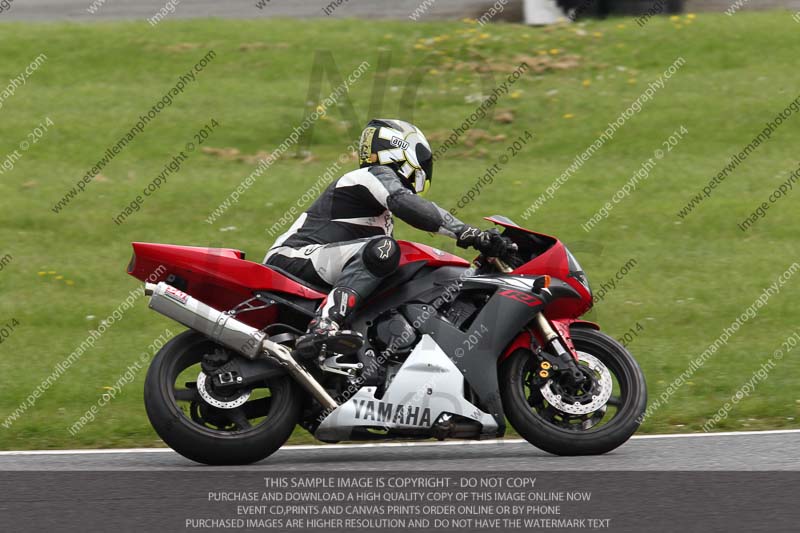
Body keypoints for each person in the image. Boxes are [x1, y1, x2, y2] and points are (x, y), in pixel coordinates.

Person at [264, 119, 510, 357]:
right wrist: (467, 232)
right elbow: (407, 204)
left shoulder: (381, 214)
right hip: (292, 258)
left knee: (395, 269)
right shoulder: (370, 175)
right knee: (384, 250)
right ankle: (324, 325)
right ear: (400, 148)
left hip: (319, 266)